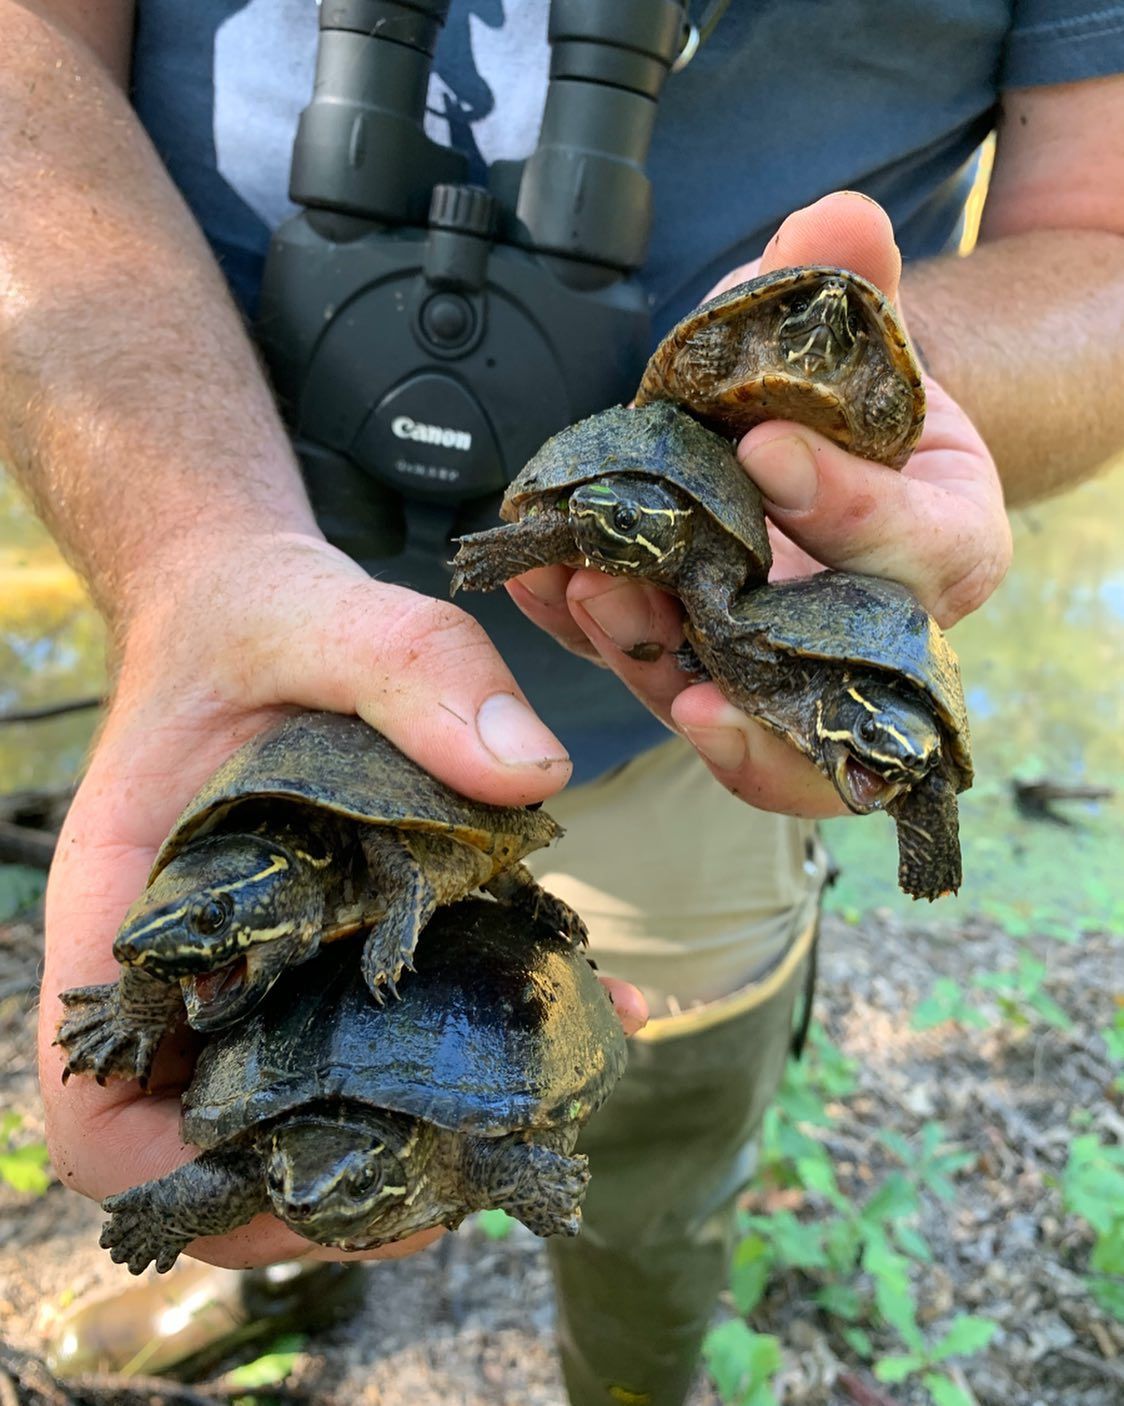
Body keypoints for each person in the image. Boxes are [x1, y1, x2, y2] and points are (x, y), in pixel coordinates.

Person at [4, 1, 1121, 1402]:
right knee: (267, 1060)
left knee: (643, 1153)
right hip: (234, 674)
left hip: (694, 713)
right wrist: (187, 547)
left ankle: (634, 1356)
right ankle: (289, 1238)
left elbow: (1105, 241)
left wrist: (834, 418)